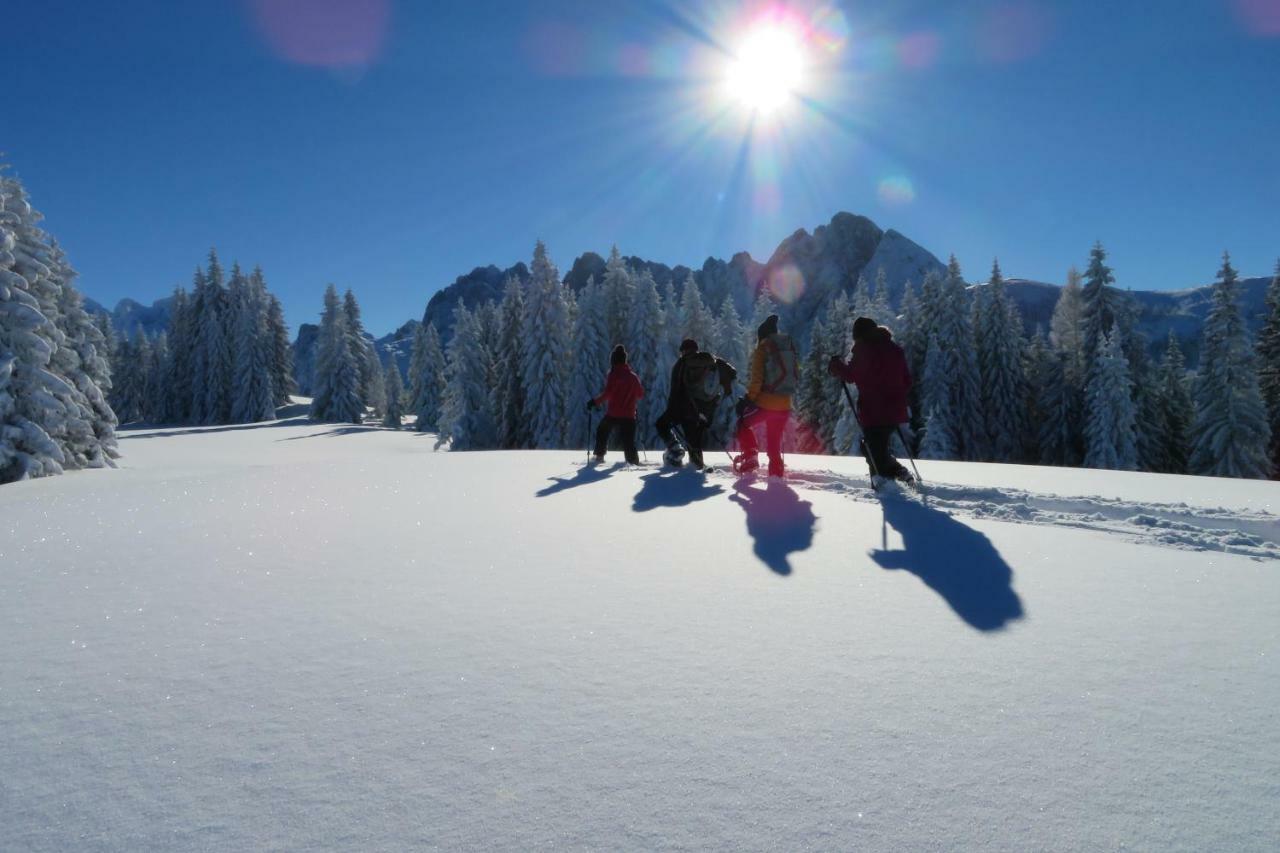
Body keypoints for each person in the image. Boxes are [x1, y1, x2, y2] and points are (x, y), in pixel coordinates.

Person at [828, 316, 914, 484]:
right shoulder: (894, 349)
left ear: (859, 335)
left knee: (873, 449)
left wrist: (836, 365)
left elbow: (850, 375)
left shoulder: (864, 349)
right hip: (895, 408)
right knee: (876, 447)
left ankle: (888, 481)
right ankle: (892, 476)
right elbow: (907, 381)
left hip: (873, 410)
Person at [655, 338, 736, 469]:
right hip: (702, 411)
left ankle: (676, 450)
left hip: (683, 407)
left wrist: (671, 410)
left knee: (661, 424)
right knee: (694, 441)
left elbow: (676, 389)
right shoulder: (712, 361)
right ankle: (696, 467)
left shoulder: (682, 363)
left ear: (683, 351)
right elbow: (732, 373)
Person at [733, 314, 797, 478]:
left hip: (766, 405)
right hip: (785, 404)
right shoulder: (787, 349)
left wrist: (748, 400)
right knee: (774, 440)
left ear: (761, 335)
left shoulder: (762, 349)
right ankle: (776, 475)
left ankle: (751, 455)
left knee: (742, 423)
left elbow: (757, 380)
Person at [587, 345, 644, 465]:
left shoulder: (613, 375)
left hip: (613, 414)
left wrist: (594, 402)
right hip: (629, 415)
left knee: (602, 431)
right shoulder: (633, 377)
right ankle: (633, 462)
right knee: (629, 442)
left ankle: (599, 456)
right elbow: (640, 395)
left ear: (613, 360)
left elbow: (607, 394)